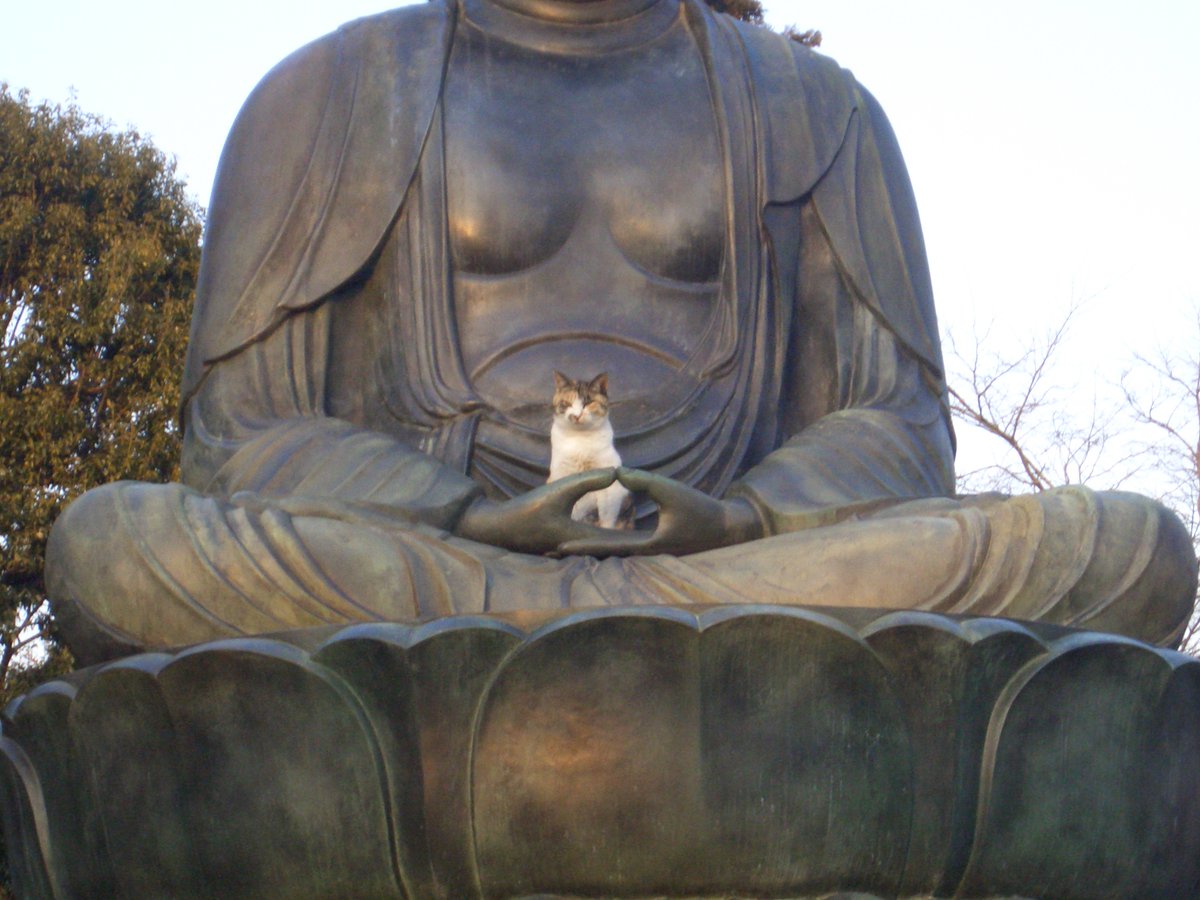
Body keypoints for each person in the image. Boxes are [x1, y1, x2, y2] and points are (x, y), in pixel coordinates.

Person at [45, 0, 1196, 664]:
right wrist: (465, 515)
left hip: (744, 568)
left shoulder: (813, 106)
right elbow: (245, 432)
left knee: (1123, 549)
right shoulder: (332, 93)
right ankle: (671, 667)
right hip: (441, 567)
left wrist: (742, 515)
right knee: (117, 546)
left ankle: (565, 657)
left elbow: (894, 421)